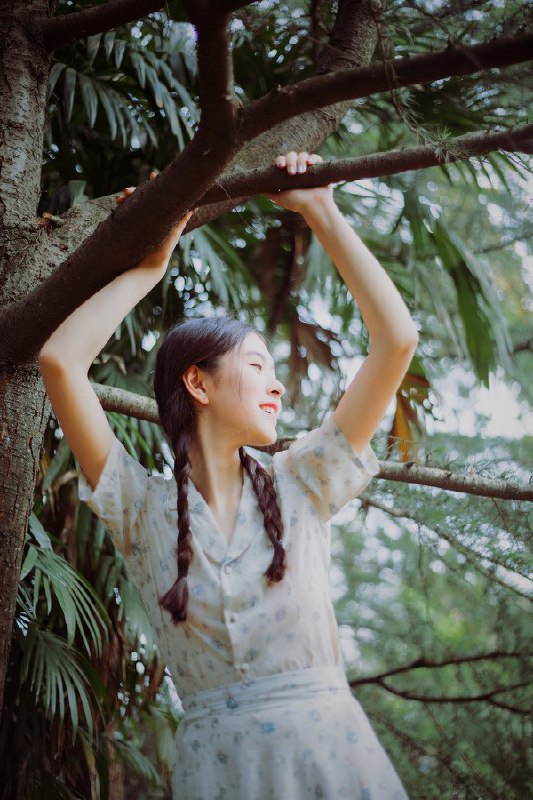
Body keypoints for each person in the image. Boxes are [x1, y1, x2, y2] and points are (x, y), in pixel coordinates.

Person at [39, 150, 418, 799]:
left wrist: (320, 209)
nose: (276, 387)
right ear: (198, 383)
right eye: (257, 367)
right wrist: (148, 268)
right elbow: (59, 361)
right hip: (218, 774)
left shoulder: (305, 481)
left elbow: (396, 341)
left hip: (331, 760)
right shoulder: (139, 509)